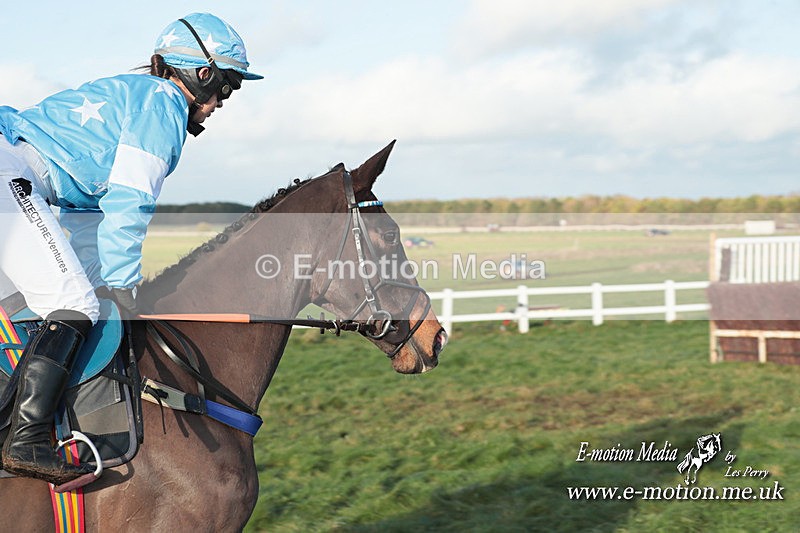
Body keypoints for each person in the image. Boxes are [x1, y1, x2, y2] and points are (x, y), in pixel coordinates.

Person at [0, 12, 262, 486]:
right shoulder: (163, 103)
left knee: (57, 298)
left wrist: (104, 279)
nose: (223, 101)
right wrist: (120, 285)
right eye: (229, 86)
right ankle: (26, 438)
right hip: (10, 175)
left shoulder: (133, 98)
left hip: (17, 177)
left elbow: (88, 219)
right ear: (202, 75)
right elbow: (130, 200)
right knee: (71, 302)